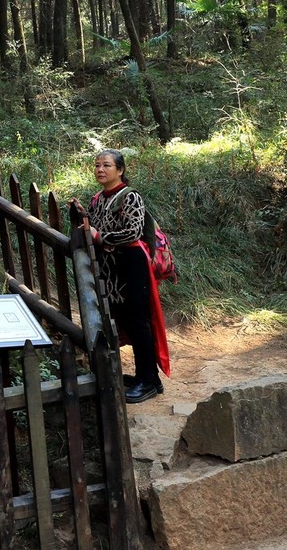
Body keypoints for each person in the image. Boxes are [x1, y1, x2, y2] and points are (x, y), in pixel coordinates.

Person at [84, 149, 170, 404]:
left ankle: (148, 381)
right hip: (111, 269)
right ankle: (148, 377)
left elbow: (133, 231)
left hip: (132, 265)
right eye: (97, 165)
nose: (100, 169)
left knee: (138, 321)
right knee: (123, 320)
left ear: (120, 170)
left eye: (106, 165)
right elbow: (92, 227)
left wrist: (101, 237)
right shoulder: (97, 199)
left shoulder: (130, 196)